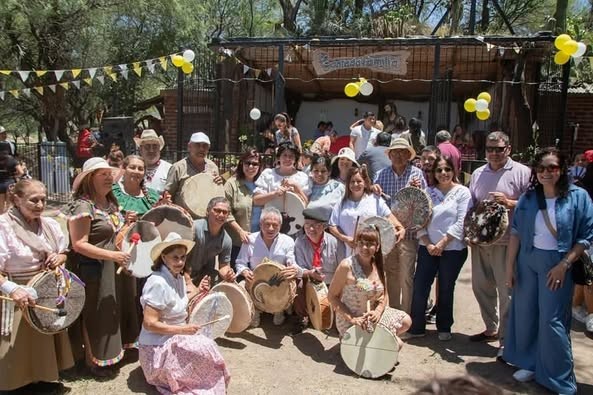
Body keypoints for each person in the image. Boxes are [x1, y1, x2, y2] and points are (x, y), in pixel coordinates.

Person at [503, 147, 593, 394]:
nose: (546, 173)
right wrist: (509, 267)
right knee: (526, 314)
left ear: (562, 169)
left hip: (558, 264)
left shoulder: (579, 197)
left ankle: (559, 378)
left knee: (552, 321)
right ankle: (530, 362)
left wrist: (564, 265)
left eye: (552, 168)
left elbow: (585, 237)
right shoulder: (529, 197)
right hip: (527, 261)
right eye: (541, 168)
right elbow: (516, 233)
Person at [64, 157, 138, 376]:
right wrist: (113, 256)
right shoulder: (83, 206)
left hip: (111, 266)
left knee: (110, 311)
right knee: (93, 313)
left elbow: (110, 232)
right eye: (102, 174)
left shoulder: (110, 202)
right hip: (91, 269)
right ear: (89, 178)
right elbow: (79, 244)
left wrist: (126, 222)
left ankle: (111, 353)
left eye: (109, 174)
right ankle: (91, 360)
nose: (108, 178)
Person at [0, 179, 73, 393]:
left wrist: (60, 258)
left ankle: (42, 379)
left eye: (43, 200)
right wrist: (12, 289)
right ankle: (13, 384)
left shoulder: (48, 225)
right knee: (17, 343)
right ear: (16, 199)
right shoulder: (3, 226)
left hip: (44, 289)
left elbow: (63, 252)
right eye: (34, 200)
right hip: (14, 289)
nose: (40, 205)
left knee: (42, 341)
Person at [139, 232, 230, 394]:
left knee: (207, 346)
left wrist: (198, 291)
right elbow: (149, 323)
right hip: (155, 348)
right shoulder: (157, 282)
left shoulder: (177, 277)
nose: (180, 262)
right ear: (164, 257)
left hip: (173, 337)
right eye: (175, 258)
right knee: (204, 347)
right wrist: (183, 330)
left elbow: (176, 302)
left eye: (183, 257)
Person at [467, 131, 530, 358]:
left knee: (507, 292)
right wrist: (470, 233)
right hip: (481, 242)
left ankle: (506, 340)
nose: (494, 153)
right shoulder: (477, 173)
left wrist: (511, 202)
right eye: (490, 149)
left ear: (508, 149)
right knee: (480, 285)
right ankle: (491, 327)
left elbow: (534, 203)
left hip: (507, 242)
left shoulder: (523, 172)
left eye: (499, 148)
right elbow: (471, 205)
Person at [407, 156, 472, 341]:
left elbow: (461, 221)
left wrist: (443, 243)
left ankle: (444, 326)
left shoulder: (462, 192)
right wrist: (428, 243)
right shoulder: (427, 192)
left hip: (452, 249)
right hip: (427, 247)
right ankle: (417, 326)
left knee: (445, 287)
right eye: (439, 170)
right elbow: (418, 220)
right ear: (433, 173)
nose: (443, 173)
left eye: (447, 169)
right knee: (420, 286)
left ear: (453, 171)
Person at [328, 225, 411, 346]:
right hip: (352, 319)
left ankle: (372, 342)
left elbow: (384, 294)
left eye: (370, 244)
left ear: (377, 247)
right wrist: (352, 318)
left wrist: (377, 312)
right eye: (361, 243)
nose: (364, 248)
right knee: (397, 345)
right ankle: (355, 340)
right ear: (356, 244)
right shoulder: (346, 266)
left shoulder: (379, 265)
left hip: (373, 317)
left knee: (406, 321)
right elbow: (332, 297)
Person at [374, 138, 427, 313]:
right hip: (387, 234)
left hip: (409, 234)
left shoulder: (417, 174)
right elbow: (376, 203)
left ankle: (407, 315)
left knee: (407, 276)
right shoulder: (381, 175)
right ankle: (393, 313)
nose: (398, 155)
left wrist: (419, 190)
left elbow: (425, 204)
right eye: (394, 152)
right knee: (391, 274)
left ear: (408, 155)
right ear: (389, 155)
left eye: (402, 152)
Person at [235, 207, 297, 327]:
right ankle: (256, 310)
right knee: (240, 286)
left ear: (280, 225)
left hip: (279, 282)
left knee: (290, 282)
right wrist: (245, 271)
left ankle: (279, 309)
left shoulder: (288, 241)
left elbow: (292, 261)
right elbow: (240, 262)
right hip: (256, 281)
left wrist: (292, 268)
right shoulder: (250, 240)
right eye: (267, 224)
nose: (270, 228)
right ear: (260, 224)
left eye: (275, 225)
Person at [329, 165, 405, 257]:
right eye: (352, 182)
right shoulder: (341, 202)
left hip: (370, 251)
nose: (355, 184)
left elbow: (388, 215)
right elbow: (332, 226)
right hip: (347, 250)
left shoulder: (374, 199)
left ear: (365, 183)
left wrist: (400, 227)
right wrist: (346, 239)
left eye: (359, 181)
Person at [292, 206, 341, 332]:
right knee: (297, 283)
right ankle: (302, 317)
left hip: (330, 282)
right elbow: (299, 268)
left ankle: (335, 317)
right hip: (310, 279)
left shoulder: (334, 242)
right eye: (307, 225)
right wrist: (311, 273)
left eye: (316, 225)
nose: (311, 229)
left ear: (324, 226)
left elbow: (341, 268)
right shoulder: (300, 242)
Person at [224, 148, 263, 266]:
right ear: (242, 164)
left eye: (255, 164)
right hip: (238, 242)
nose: (251, 166)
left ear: (260, 166)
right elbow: (226, 212)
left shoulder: (264, 184)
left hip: (260, 241)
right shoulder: (232, 184)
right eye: (247, 163)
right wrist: (240, 231)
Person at [185, 197, 234, 288]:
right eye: (217, 210)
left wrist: (228, 274)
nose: (221, 214)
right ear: (207, 211)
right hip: (182, 274)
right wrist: (188, 282)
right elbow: (179, 257)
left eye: (224, 212)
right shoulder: (194, 228)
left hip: (203, 276)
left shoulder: (226, 240)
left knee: (223, 283)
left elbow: (223, 266)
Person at [164, 132, 221, 207]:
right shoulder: (178, 168)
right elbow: (168, 194)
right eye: (197, 145)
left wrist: (219, 183)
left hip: (207, 215)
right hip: (183, 215)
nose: (201, 149)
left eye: (205, 146)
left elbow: (216, 193)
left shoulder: (213, 167)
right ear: (189, 147)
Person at [253, 142, 310, 206]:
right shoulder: (268, 174)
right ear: (278, 158)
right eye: (284, 155)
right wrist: (275, 193)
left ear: (295, 159)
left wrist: (297, 189)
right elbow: (256, 201)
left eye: (291, 156)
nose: (287, 159)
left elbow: (308, 205)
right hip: (271, 214)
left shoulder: (303, 177)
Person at [112, 155, 160, 221]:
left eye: (140, 169)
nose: (136, 171)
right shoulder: (112, 191)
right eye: (132, 167)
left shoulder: (153, 196)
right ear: (123, 169)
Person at [135, 129, 172, 194]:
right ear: (140, 149)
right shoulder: (134, 169)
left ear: (159, 149)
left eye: (155, 146)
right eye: (147, 147)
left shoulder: (170, 169)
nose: (151, 150)